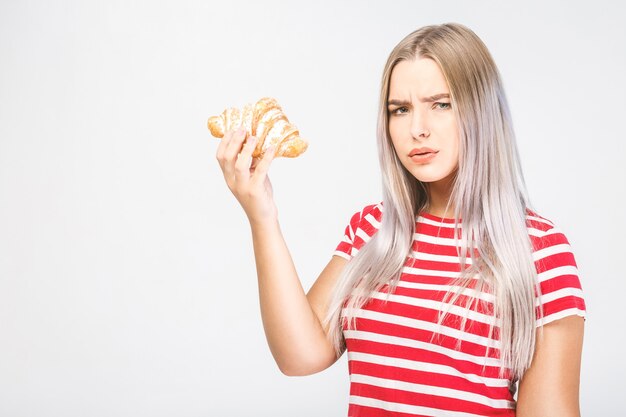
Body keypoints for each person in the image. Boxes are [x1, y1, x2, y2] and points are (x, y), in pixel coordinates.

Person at [215, 23, 586, 417]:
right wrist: (263, 215)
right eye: (400, 110)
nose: (417, 129)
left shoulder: (540, 250)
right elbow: (299, 356)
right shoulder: (371, 230)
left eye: (441, 104)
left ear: (481, 110)